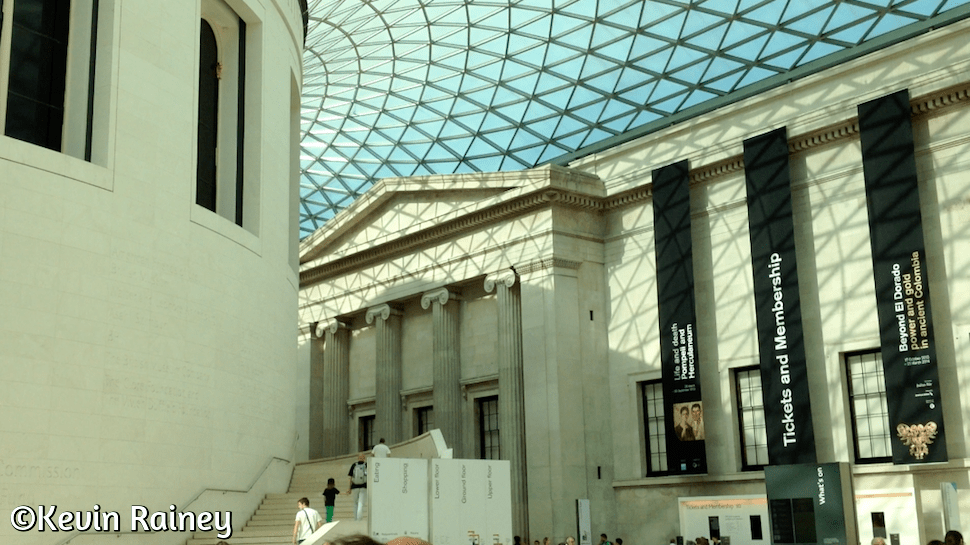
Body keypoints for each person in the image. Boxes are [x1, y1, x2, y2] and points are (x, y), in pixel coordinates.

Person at [346, 453, 368, 520]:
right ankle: (359, 518)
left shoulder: (354, 465)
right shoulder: (367, 465)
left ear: (358, 458)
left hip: (355, 486)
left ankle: (355, 518)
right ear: (364, 458)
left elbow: (350, 477)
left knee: (355, 503)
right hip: (363, 486)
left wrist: (349, 488)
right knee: (361, 502)